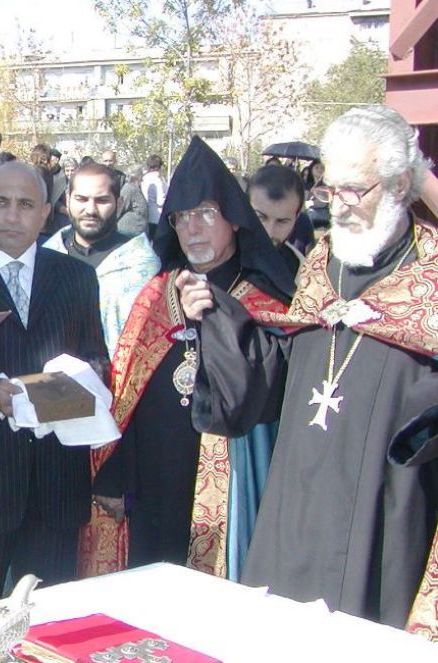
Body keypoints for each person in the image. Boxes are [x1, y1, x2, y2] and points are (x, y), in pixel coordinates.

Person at [178, 106, 438, 636]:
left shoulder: (432, 274)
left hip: (385, 496)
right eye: (330, 189)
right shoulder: (322, 262)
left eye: (353, 191)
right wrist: (220, 319)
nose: (337, 206)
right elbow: (282, 370)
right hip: (296, 492)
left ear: (401, 184)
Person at [82, 137, 293, 579]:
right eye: (182, 218)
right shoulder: (156, 292)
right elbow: (127, 391)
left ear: (233, 220)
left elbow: (269, 392)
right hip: (151, 483)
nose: (193, 228)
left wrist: (220, 317)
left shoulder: (267, 299)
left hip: (228, 488)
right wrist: (114, 474)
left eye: (206, 214)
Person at [0, 161, 110, 588]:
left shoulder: (77, 277)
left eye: (25, 204)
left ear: (45, 212)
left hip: (58, 480)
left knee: (51, 618)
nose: (12, 216)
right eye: (0, 203)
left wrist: (76, 381)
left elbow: (96, 359)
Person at [43, 162, 160, 357]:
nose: (90, 209)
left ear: (119, 204)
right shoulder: (46, 257)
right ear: (68, 200)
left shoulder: (143, 265)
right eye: (81, 199)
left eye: (102, 200)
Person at [247, 164, 313, 278]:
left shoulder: (299, 272)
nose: (269, 232)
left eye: (282, 222)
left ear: (296, 219)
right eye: (260, 217)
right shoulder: (216, 257)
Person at [141, 154, 167, 235]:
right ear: (159, 167)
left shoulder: (143, 179)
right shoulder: (158, 180)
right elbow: (161, 201)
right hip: (157, 216)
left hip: (147, 216)